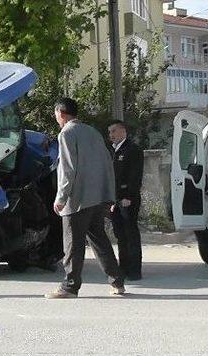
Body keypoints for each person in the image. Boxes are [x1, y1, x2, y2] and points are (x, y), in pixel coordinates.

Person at [45, 98, 125, 299]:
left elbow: (67, 168)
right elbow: (107, 163)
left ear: (61, 113)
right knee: (99, 240)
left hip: (77, 198)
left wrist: (61, 197)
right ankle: (117, 281)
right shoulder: (93, 132)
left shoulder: (67, 133)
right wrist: (108, 195)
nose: (56, 118)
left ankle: (70, 286)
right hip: (97, 197)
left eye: (56, 114)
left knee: (72, 243)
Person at [108, 121, 144, 280]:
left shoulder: (132, 150)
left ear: (123, 131)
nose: (111, 135)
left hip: (127, 199)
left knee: (130, 234)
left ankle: (134, 270)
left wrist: (128, 196)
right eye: (109, 132)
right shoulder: (113, 150)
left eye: (113, 131)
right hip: (115, 199)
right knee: (120, 234)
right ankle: (123, 268)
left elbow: (135, 176)